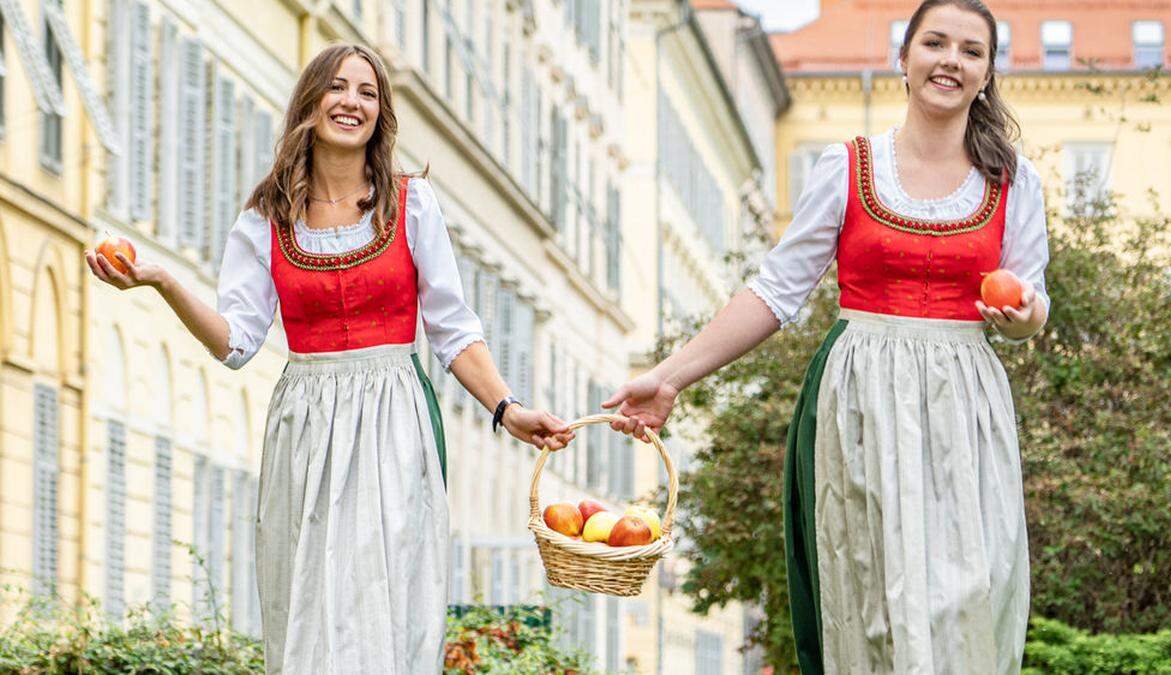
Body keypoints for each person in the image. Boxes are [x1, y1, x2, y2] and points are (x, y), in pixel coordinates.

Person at [85, 43, 574, 674]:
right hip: (307, 422)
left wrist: (508, 409)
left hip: (393, 416)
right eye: (338, 88)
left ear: (381, 112)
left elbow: (454, 331)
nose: (352, 102)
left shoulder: (411, 204)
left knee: (385, 597)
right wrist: (163, 281)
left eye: (367, 92)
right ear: (311, 102)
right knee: (308, 602)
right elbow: (236, 342)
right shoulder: (266, 218)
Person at [603, 1, 1048, 672]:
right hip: (862, 402)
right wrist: (670, 374)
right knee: (871, 604)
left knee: (969, 595)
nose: (950, 60)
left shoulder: (1014, 180)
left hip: (964, 406)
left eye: (970, 50)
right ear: (905, 58)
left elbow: (1032, 297)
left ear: (987, 72)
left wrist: (1024, 317)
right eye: (935, 43)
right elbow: (775, 290)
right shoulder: (848, 169)